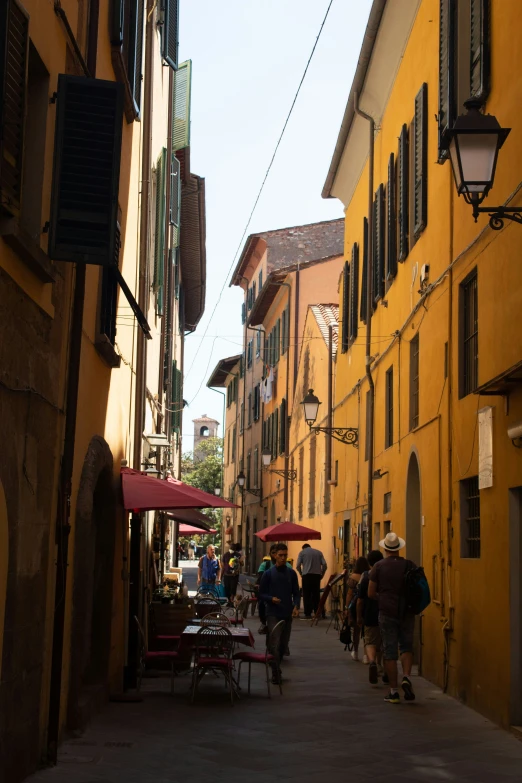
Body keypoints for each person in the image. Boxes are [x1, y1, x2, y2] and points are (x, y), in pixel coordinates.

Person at [368, 531, 416, 704]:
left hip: (387, 612)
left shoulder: (378, 566)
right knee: (406, 647)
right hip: (407, 612)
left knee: (389, 651)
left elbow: (371, 592)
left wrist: (383, 597)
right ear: (399, 548)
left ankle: (394, 692)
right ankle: (407, 677)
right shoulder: (409, 565)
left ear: (386, 548)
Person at [259, 543, 300, 684]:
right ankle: (275, 671)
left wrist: (296, 606)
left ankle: (277, 665)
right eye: (280, 555)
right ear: (275, 555)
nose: (283, 558)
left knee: (283, 645)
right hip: (272, 613)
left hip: (287, 613)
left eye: (285, 555)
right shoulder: (268, 574)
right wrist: (271, 599)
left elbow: (296, 592)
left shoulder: (292, 574)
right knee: (274, 643)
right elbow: (261, 594)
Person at [357, 549, 384, 685]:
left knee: (369, 641)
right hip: (386, 612)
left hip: (370, 613)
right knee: (384, 641)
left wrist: (358, 616)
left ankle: (372, 661)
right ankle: (381, 665)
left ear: (369, 563)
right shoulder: (386, 575)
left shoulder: (366, 576)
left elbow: (360, 600)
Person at [257, 545, 292, 635]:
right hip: (269, 594)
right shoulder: (266, 565)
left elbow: (293, 587)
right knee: (261, 603)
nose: (282, 558)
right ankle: (263, 623)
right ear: (273, 554)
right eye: (273, 553)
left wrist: (295, 604)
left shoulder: (288, 568)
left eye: (285, 555)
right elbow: (260, 577)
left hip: (284, 603)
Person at [345, 556, 369, 661]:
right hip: (367, 604)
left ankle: (355, 652)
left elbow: (349, 594)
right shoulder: (369, 576)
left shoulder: (353, 577)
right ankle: (366, 655)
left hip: (355, 606)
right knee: (366, 630)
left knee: (356, 629)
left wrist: (347, 607)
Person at [296, 543, 327, 619]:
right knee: (316, 594)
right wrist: (322, 574)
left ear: (303, 548)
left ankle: (307, 613)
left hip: (306, 576)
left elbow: (297, 565)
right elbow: (325, 564)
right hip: (316, 576)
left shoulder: (302, 553)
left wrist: (301, 573)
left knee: (306, 594)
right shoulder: (319, 552)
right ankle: (317, 611)